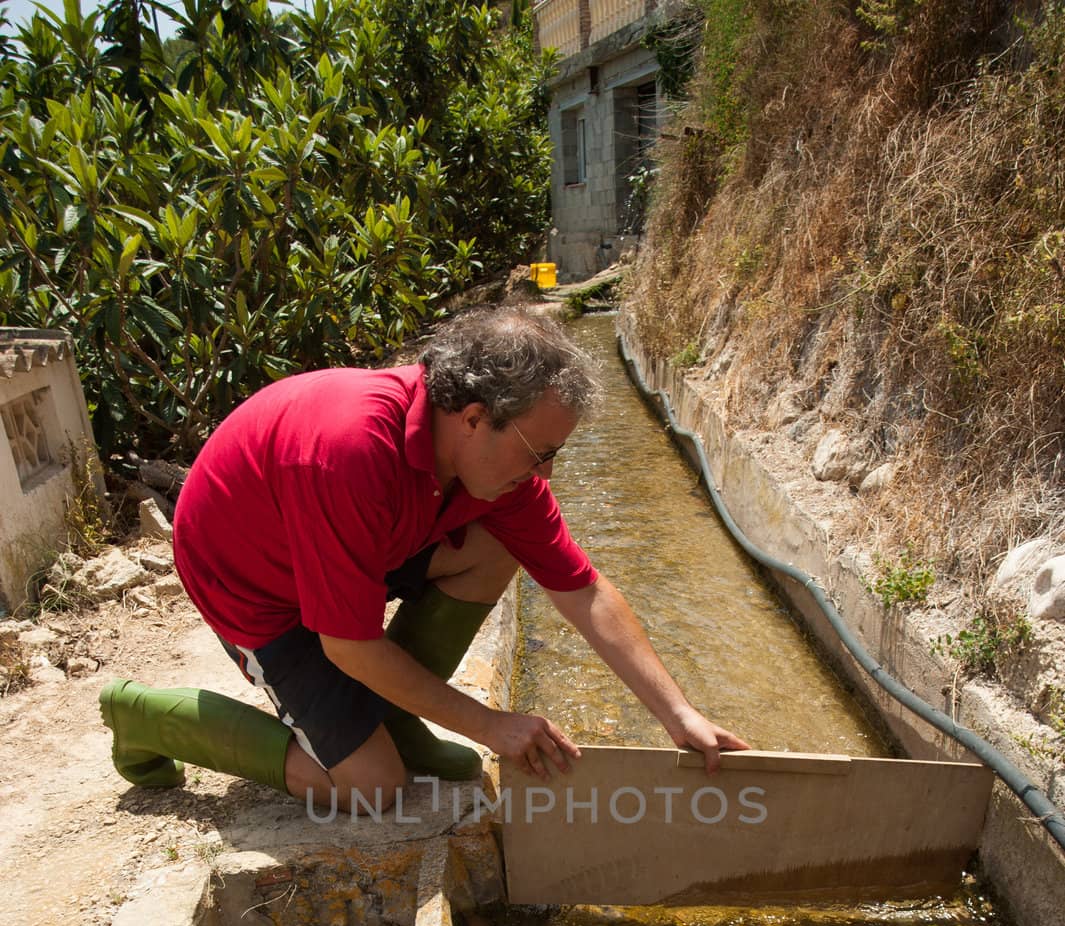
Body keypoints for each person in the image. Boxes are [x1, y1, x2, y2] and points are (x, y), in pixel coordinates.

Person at [100, 308, 749, 810]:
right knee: (371, 786)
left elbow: (579, 588)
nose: (546, 472)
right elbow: (348, 645)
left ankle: (396, 720)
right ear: (472, 418)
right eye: (538, 451)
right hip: (253, 581)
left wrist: (678, 714)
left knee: (496, 549)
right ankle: (143, 716)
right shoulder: (349, 451)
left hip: (356, 547)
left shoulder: (499, 470)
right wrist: (490, 726)